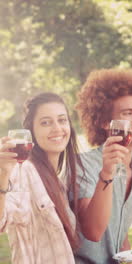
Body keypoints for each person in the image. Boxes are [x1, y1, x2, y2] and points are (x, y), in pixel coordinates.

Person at [74, 69, 132, 263]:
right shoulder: (83, 166)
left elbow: (121, 236)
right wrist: (107, 172)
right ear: (104, 122)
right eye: (128, 113)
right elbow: (93, 231)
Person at [0, 92, 82, 263]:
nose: (57, 128)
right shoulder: (24, 172)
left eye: (62, 120)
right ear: (31, 132)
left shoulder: (58, 179)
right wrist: (3, 175)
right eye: (46, 122)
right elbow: (2, 220)